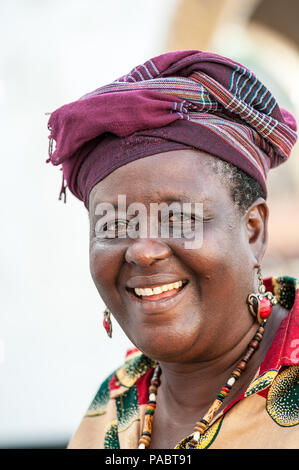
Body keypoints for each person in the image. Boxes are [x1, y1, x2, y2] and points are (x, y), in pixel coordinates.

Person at [46, 50, 299, 449]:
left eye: (179, 219)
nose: (142, 252)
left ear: (253, 231)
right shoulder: (113, 403)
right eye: (114, 224)